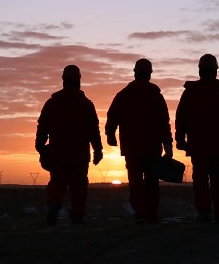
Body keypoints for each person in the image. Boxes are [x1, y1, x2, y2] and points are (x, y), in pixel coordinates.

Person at [174, 54, 219, 223]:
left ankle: (204, 212)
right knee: (218, 180)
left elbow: (180, 118)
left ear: (200, 70)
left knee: (200, 181)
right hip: (218, 147)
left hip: (198, 147)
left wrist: (180, 139)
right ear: (215, 71)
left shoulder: (190, 93)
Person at [105, 58, 173, 224]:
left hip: (132, 148)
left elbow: (112, 117)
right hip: (152, 148)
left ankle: (141, 213)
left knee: (135, 182)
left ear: (135, 73)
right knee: (151, 182)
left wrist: (110, 135)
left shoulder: (123, 95)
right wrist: (168, 144)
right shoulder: (156, 97)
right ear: (149, 74)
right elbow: (164, 122)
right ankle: (150, 214)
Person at [35, 64, 104, 226]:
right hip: (79, 155)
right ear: (78, 80)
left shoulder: (52, 103)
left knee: (57, 183)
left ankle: (54, 203)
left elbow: (42, 126)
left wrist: (40, 147)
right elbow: (93, 129)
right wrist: (98, 149)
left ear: (63, 80)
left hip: (58, 154)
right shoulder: (86, 104)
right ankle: (77, 217)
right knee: (79, 187)